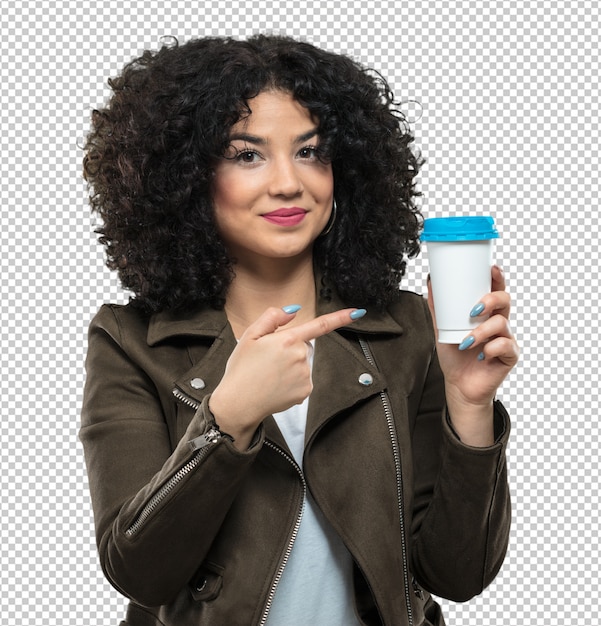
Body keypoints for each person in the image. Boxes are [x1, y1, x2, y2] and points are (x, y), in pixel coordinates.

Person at [80, 34, 519, 626]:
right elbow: (139, 571)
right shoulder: (131, 341)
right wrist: (227, 419)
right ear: (183, 176)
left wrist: (471, 407)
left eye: (311, 152)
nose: (290, 182)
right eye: (247, 155)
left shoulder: (406, 326)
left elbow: (458, 574)